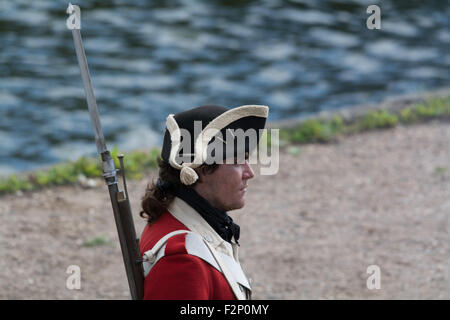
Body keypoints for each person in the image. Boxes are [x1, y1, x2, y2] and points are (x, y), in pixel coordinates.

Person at [139, 104, 269, 300]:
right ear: (202, 169)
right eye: (236, 161)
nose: (249, 173)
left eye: (247, 159)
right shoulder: (182, 259)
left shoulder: (178, 217)